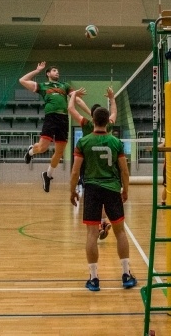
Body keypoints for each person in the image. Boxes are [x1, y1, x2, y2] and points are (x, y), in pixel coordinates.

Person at [69, 107, 136, 292]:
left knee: (91, 234)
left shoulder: (83, 142)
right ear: (108, 121)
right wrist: (125, 190)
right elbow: (124, 170)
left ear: (93, 119)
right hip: (112, 189)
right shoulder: (116, 142)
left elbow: (75, 171)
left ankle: (94, 278)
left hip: (91, 190)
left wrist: (72, 191)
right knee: (120, 232)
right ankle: (126, 274)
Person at [20, 62, 84, 192]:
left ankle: (48, 175)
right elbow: (22, 80)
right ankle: (31, 151)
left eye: (58, 71)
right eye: (54, 70)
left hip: (63, 119)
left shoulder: (64, 86)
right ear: (48, 74)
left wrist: (91, 113)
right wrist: (37, 70)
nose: (57, 72)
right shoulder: (43, 86)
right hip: (51, 118)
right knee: (42, 148)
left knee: (59, 153)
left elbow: (76, 99)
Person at [68, 87, 116, 239]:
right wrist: (112, 98)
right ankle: (104, 221)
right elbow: (114, 113)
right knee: (105, 197)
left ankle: (99, 223)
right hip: (108, 172)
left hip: (90, 167)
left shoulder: (87, 125)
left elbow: (70, 108)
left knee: (93, 199)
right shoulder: (108, 126)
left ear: (92, 116)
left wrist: (74, 94)